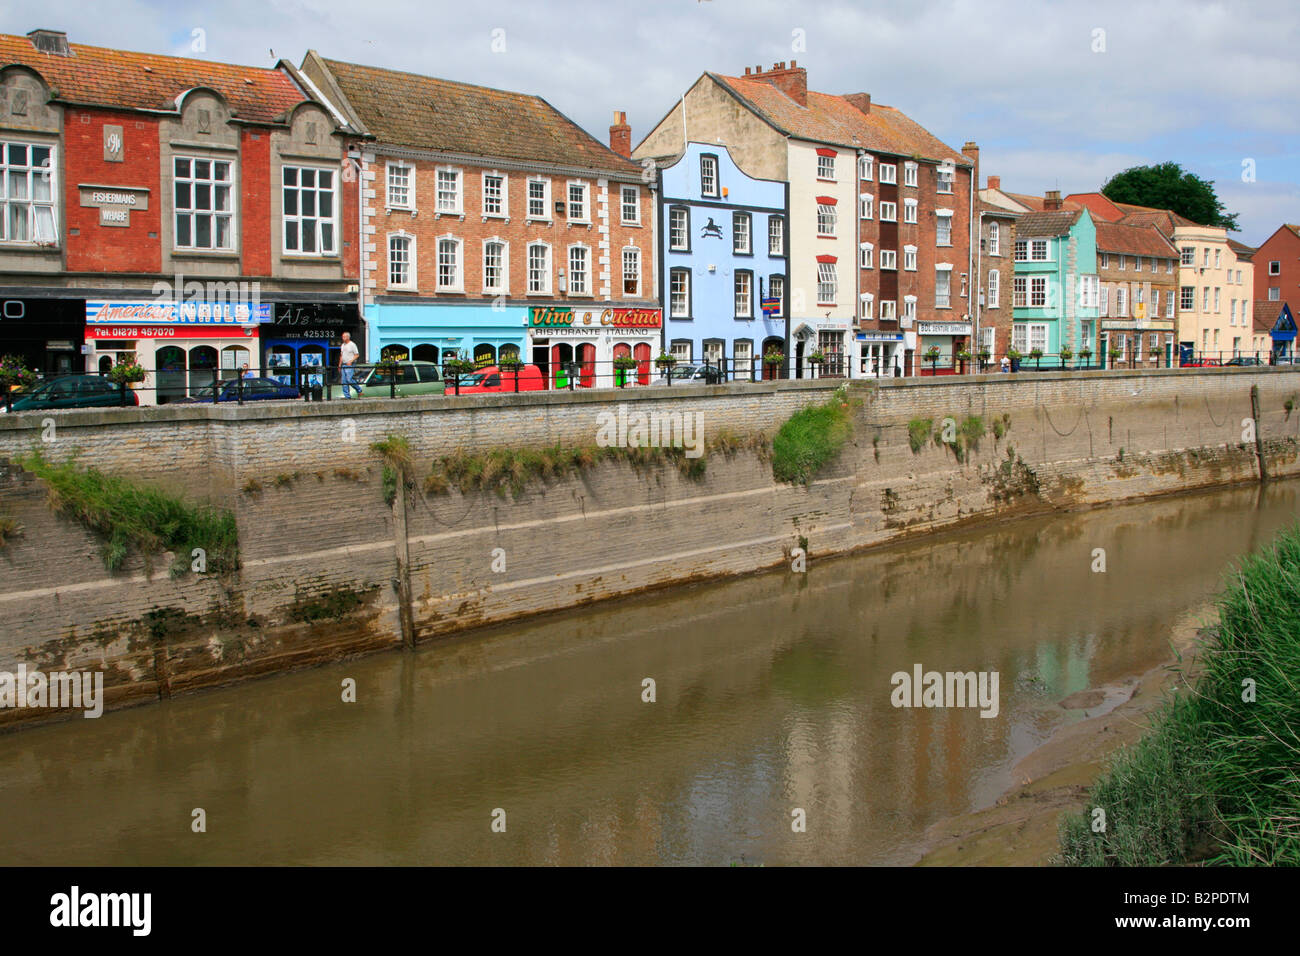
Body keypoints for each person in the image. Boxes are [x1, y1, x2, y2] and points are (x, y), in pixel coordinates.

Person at [339, 332, 360, 398]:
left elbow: (357, 354)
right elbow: (341, 355)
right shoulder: (342, 345)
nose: (343, 338)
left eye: (344, 337)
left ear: (348, 337)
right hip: (344, 364)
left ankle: (359, 389)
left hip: (349, 364)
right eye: (342, 337)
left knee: (349, 379)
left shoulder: (352, 345)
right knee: (344, 381)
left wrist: (351, 361)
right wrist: (339, 364)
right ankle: (347, 396)